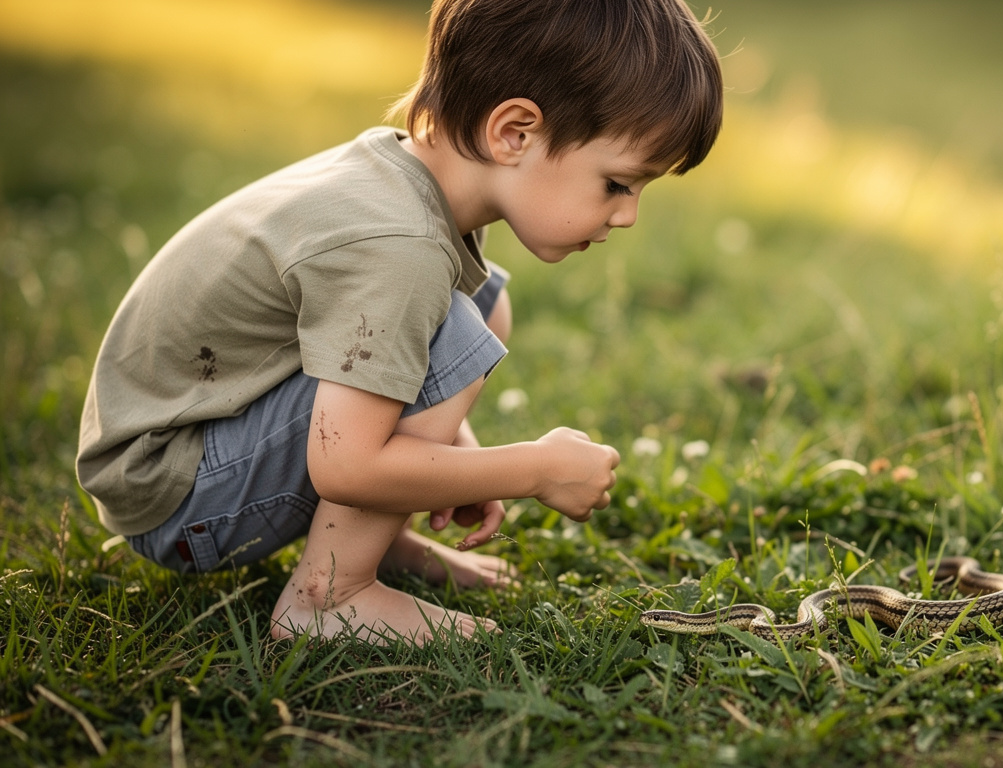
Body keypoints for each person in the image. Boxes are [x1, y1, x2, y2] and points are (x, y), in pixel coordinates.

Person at [75, 0, 723, 644]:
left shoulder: (400, 180)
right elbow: (348, 468)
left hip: (185, 456)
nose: (628, 215)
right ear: (514, 133)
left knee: (481, 304)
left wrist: (457, 459)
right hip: (179, 495)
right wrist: (533, 469)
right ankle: (329, 596)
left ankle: (377, 542)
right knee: (457, 331)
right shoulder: (400, 245)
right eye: (617, 184)